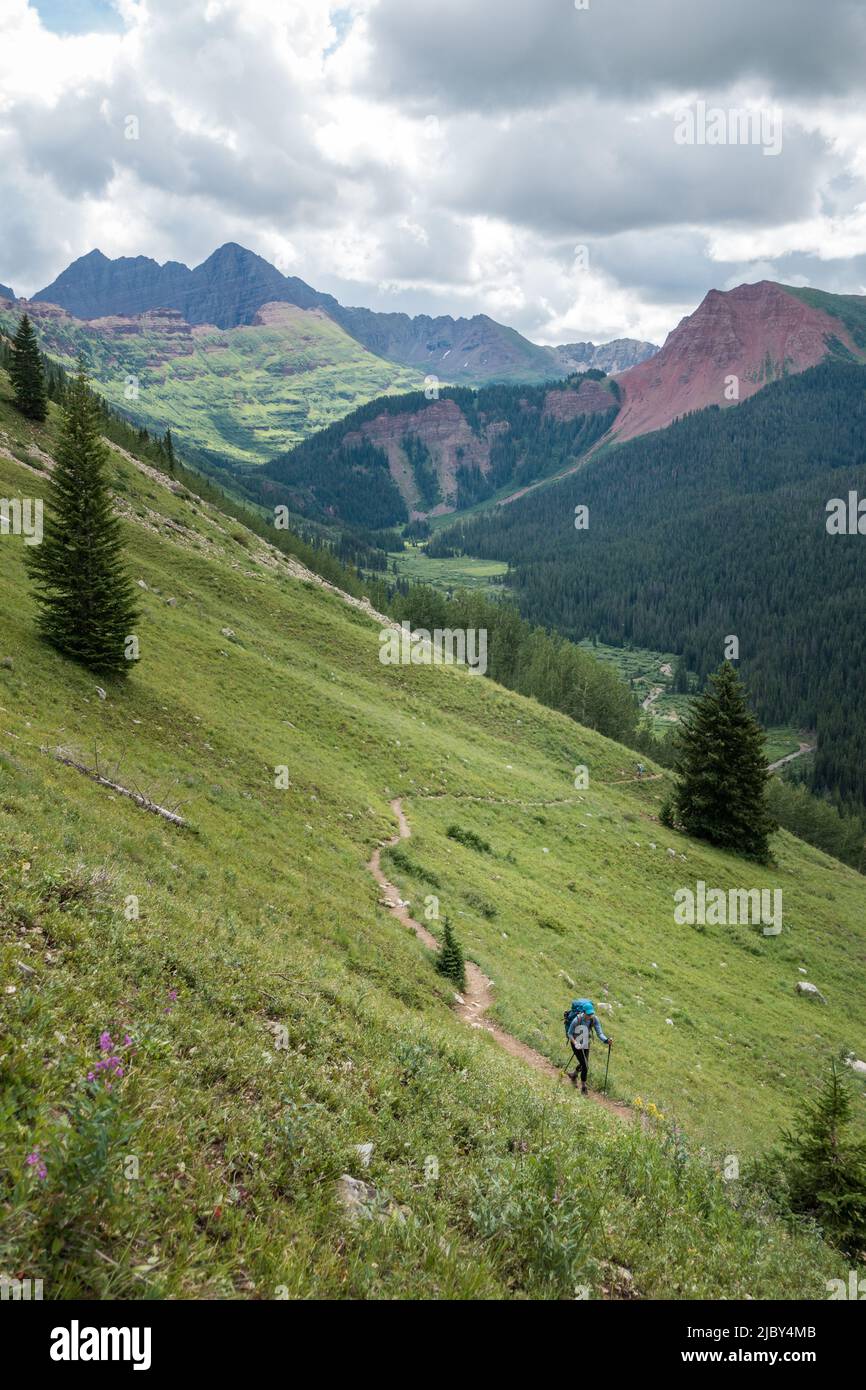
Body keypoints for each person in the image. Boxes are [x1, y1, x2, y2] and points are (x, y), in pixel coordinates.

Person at [565, 998, 612, 1095]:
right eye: (588, 1014)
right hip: (576, 1043)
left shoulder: (594, 1019)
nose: (590, 1016)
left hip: (585, 1042)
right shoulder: (576, 1019)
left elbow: (600, 1033)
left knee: (584, 1064)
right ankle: (583, 1087)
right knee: (585, 1065)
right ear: (584, 1012)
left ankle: (574, 1075)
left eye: (591, 1014)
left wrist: (606, 1040)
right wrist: (575, 1043)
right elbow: (569, 1033)